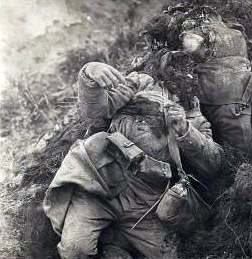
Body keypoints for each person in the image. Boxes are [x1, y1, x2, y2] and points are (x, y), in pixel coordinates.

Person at [43, 62, 223, 258]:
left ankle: (115, 242)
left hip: (144, 203)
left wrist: (185, 130)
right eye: (178, 68)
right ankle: (109, 241)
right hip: (99, 183)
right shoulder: (142, 84)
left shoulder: (197, 120)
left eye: (190, 76)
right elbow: (97, 110)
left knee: (173, 255)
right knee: (75, 251)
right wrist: (90, 75)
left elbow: (212, 164)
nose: (183, 78)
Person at [143, 5, 252, 155]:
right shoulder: (221, 24)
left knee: (241, 155)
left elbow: (185, 58)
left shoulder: (187, 37)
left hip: (225, 96)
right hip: (250, 83)